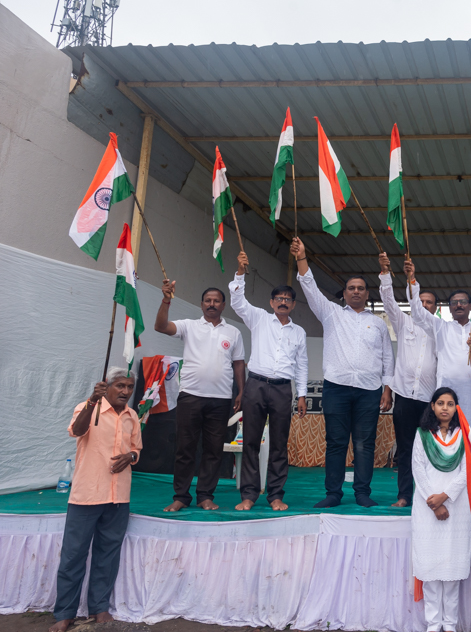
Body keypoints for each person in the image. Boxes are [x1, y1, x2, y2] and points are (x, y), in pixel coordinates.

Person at [291, 239, 393, 509]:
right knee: (335, 443)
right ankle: (333, 494)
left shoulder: (377, 324)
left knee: (364, 444)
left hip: (369, 390)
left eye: (360, 288)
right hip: (336, 387)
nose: (356, 292)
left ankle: (362, 493)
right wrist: (302, 257)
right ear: (344, 294)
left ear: (367, 294)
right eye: (351, 288)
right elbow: (310, 289)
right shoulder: (331, 314)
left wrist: (387, 388)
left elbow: (387, 358)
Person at [50, 369, 140, 632]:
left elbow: (136, 450)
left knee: (107, 556)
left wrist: (131, 457)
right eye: (120, 385)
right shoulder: (87, 407)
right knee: (73, 557)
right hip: (86, 495)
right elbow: (77, 431)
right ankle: (64, 613)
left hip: (118, 497)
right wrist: (92, 400)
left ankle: (99, 608)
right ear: (107, 386)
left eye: (130, 386)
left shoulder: (132, 416)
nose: (125, 391)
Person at [154, 281, 246, 512]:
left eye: (216, 301)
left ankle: (205, 495)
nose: (212, 304)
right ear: (202, 304)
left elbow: (238, 364)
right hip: (191, 396)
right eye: (208, 300)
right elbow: (161, 326)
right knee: (185, 448)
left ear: (223, 305)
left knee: (214, 450)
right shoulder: (189, 326)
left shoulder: (233, 332)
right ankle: (181, 497)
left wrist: (241, 392)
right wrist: (166, 300)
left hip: (221, 399)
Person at [229, 251, 308, 512]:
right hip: (256, 385)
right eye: (279, 299)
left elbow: (302, 365)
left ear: (294, 305)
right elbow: (238, 302)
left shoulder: (299, 332)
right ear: (272, 302)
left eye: (288, 299)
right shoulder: (259, 318)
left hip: (283, 390)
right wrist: (240, 272)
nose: (284, 302)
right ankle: (249, 495)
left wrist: (302, 394)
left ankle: (275, 495)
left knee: (278, 444)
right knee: (250, 441)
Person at [377, 252, 438, 508]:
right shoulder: (404, 322)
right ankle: (404, 496)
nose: (424, 305)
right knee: (405, 450)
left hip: (429, 401)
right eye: (420, 300)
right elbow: (389, 302)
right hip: (404, 398)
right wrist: (387, 275)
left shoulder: (439, 329)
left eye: (429, 303)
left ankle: (429, 496)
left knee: (431, 452)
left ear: (436, 308)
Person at [411, 388, 471, 632]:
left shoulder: (463, 435)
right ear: (433, 406)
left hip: (457, 508)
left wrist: (445, 497)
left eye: (450, 403)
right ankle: (433, 623)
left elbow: (467, 471)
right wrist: (434, 503)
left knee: (451, 570)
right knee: (430, 568)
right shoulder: (422, 435)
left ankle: (450, 624)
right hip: (427, 509)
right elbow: (418, 470)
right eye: (440, 403)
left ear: (456, 407)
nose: (445, 408)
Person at [406, 258, 471, 435]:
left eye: (463, 302)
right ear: (449, 308)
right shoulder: (440, 327)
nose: (458, 305)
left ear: (470, 306)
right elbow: (417, 312)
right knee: (447, 432)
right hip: (447, 391)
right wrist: (412, 281)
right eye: (454, 303)